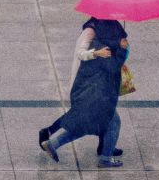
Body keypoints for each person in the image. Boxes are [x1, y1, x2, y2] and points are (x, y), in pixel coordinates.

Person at [39, 17, 128, 167]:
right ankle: (105, 157)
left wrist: (120, 45)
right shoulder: (93, 35)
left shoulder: (105, 35)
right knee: (110, 122)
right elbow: (84, 55)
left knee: (86, 123)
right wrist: (113, 51)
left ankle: (53, 142)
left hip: (94, 88)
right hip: (90, 89)